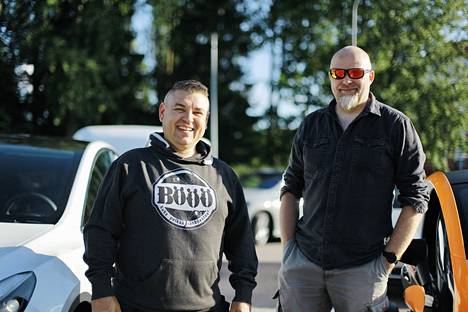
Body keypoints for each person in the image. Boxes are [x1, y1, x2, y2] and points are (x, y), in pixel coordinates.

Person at [277, 46, 430, 311]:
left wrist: (388, 260)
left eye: (356, 72)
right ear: (330, 78)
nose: (346, 80)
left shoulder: (396, 126)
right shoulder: (311, 125)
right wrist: (289, 249)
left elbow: (416, 197)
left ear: (370, 77)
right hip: (304, 262)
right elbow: (291, 187)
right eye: (339, 73)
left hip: (364, 268)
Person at [83, 80, 258, 312]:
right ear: (163, 112)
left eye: (197, 112)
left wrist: (243, 296)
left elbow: (242, 243)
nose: (188, 118)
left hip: (207, 307)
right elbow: (100, 231)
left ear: (205, 121)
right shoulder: (131, 166)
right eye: (179, 109)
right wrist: (102, 290)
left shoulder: (223, 175)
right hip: (136, 306)